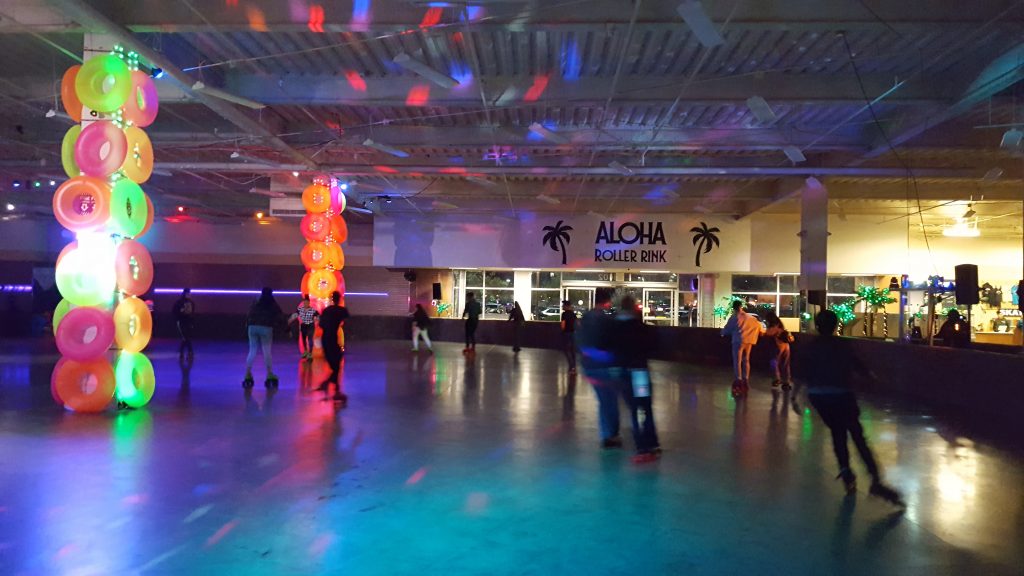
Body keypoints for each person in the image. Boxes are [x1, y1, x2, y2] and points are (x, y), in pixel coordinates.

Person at [800, 310, 904, 507]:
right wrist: (873, 380)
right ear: (835, 324)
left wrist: (797, 395)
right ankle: (875, 480)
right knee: (856, 435)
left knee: (838, 433)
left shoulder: (811, 346)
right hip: (841, 394)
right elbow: (859, 366)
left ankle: (846, 472)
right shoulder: (842, 344)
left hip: (818, 396)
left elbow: (803, 371)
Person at [613, 295, 661, 463]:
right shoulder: (640, 327)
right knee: (645, 407)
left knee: (633, 411)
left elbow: (611, 350)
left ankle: (642, 447)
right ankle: (652, 444)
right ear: (633, 308)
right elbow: (653, 346)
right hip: (640, 372)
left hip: (625, 372)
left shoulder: (616, 328)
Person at [577, 288, 622, 448]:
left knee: (604, 400)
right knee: (610, 401)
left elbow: (580, 340)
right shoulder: (605, 320)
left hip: (589, 366)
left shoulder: (586, 317)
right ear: (607, 302)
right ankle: (611, 435)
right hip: (604, 366)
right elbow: (614, 343)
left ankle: (607, 434)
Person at [720, 299, 764, 396]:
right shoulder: (750, 317)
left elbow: (727, 329)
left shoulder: (735, 317)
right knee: (746, 359)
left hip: (738, 340)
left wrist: (722, 333)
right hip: (750, 340)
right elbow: (759, 327)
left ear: (734, 307)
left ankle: (738, 379)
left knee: (737, 360)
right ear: (741, 306)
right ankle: (746, 379)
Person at [243, 287, 284, 388]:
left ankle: (247, 374)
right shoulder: (272, 303)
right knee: (267, 351)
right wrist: (285, 328)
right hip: (266, 327)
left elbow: (249, 313)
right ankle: (269, 374)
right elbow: (279, 315)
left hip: (252, 326)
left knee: (252, 350)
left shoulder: (256, 301)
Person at [316, 291, 350, 402]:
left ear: (332, 299)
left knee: (334, 365)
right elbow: (348, 323)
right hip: (333, 339)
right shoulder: (342, 311)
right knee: (336, 365)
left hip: (326, 339)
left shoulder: (326, 311)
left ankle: (331, 387)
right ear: (339, 299)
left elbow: (320, 325)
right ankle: (331, 387)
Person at [763, 311, 793, 390]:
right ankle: (787, 381)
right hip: (786, 345)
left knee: (773, 362)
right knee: (786, 363)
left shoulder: (773, 325)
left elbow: (768, 333)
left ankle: (776, 379)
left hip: (778, 346)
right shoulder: (780, 324)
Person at [172, 288, 195, 359]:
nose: (189, 295)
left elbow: (192, 313)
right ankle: (189, 351)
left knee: (186, 337)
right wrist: (180, 313)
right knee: (185, 337)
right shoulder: (179, 302)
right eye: (188, 293)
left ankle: (184, 352)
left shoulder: (191, 302)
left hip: (188, 322)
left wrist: (191, 322)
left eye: (189, 293)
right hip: (181, 321)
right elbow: (175, 311)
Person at [296, 295, 319, 360]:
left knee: (310, 339)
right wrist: (290, 320)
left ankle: (310, 353)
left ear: (309, 303)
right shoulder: (300, 309)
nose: (305, 303)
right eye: (304, 302)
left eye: (307, 302)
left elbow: (318, 316)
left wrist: (318, 319)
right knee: (303, 339)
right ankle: (305, 351)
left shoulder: (313, 310)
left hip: (310, 325)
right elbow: (295, 315)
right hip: (303, 325)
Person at [560, 300, 577, 374]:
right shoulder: (573, 314)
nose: (562, 306)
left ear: (566, 306)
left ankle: (571, 366)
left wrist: (562, 331)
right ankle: (574, 367)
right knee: (572, 350)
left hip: (566, 333)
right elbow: (578, 324)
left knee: (566, 350)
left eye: (563, 305)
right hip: (573, 333)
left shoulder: (564, 314)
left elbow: (563, 324)